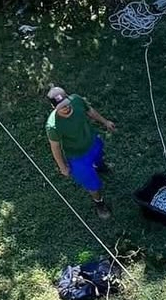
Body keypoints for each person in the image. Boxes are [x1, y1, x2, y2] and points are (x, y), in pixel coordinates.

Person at [45, 85, 117, 219]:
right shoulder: (53, 126)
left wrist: (105, 122)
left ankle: (100, 167)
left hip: (92, 141)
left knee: (99, 156)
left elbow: (90, 111)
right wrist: (62, 167)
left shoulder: (77, 100)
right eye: (61, 107)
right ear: (54, 107)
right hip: (78, 157)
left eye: (66, 103)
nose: (66, 108)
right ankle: (99, 203)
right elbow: (55, 148)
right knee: (91, 182)